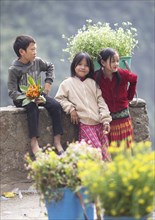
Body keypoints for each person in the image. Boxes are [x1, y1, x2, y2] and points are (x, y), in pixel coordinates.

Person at [8, 35, 64, 155]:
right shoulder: (14, 69)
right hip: (22, 98)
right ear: (22, 52)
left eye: (35, 49)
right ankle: (34, 143)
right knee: (32, 107)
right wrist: (29, 97)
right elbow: (12, 92)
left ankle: (57, 142)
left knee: (55, 106)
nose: (35, 52)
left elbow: (50, 67)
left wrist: (48, 83)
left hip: (37, 94)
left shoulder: (37, 62)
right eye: (32, 49)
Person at [55, 52, 112, 161]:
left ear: (90, 68)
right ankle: (95, 177)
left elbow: (101, 102)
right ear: (74, 65)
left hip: (99, 124)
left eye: (86, 65)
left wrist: (106, 120)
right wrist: (71, 109)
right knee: (96, 154)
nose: (83, 67)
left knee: (106, 155)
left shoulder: (93, 83)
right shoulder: (67, 83)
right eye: (80, 64)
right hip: (86, 125)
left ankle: (107, 177)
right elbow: (59, 98)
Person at [94, 48, 138, 147]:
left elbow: (134, 79)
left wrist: (129, 97)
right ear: (103, 62)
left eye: (117, 61)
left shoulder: (122, 74)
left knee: (125, 147)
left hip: (123, 118)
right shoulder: (97, 76)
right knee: (109, 147)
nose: (116, 64)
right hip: (107, 119)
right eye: (113, 61)